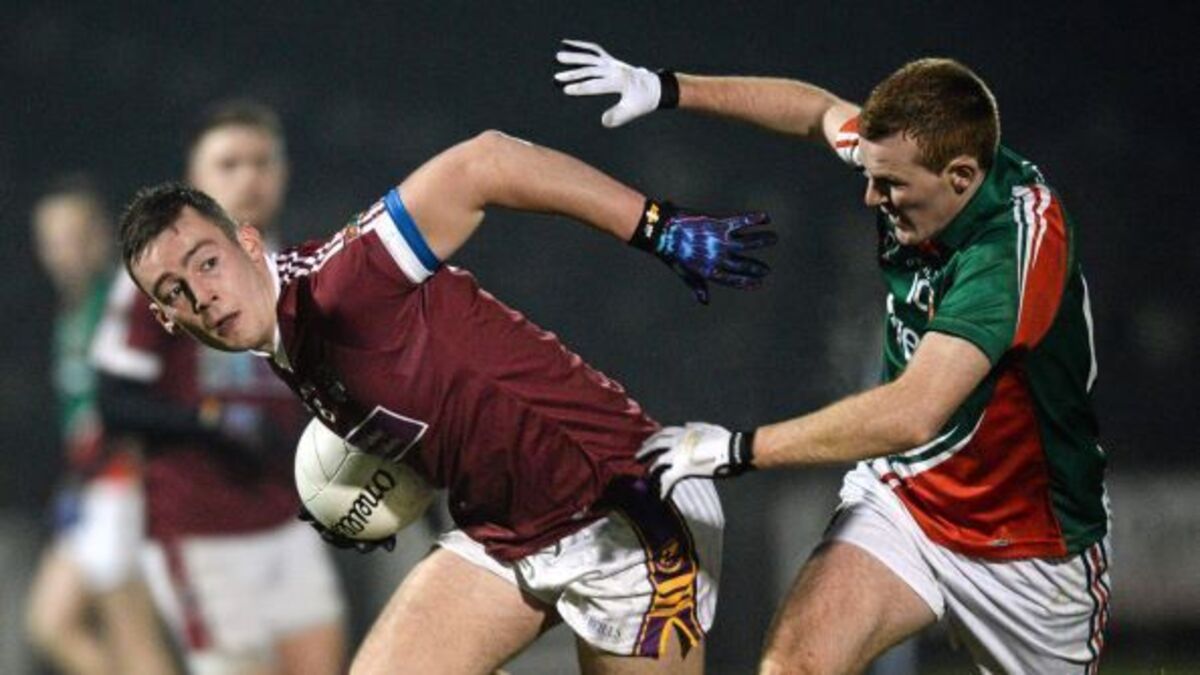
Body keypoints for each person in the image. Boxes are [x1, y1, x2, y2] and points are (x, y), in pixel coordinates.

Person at [117, 128, 775, 674]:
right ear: (165, 318)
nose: (201, 294)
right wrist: (370, 494)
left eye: (207, 262)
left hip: (623, 510)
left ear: (248, 241)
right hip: (505, 530)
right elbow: (440, 404)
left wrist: (658, 227)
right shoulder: (283, 343)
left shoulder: (342, 286)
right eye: (174, 290)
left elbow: (485, 162)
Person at [556, 42, 1111, 673]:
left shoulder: (1010, 249)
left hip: (1031, 548)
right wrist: (667, 88)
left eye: (890, 184)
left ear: (961, 176)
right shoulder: (913, 159)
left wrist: (738, 448)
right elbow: (815, 110)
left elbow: (914, 413)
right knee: (793, 665)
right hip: (907, 502)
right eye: (870, 174)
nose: (871, 197)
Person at [91, 102, 347, 675]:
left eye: (262, 162)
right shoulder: (152, 276)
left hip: (286, 516)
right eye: (229, 164)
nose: (249, 178)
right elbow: (114, 401)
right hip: (199, 528)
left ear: (284, 171)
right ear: (195, 177)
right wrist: (211, 423)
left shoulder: (294, 267)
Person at [25, 176, 178, 675]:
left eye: (75, 236)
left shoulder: (121, 302)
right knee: (50, 622)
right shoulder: (73, 310)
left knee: (135, 643)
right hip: (91, 488)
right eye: (52, 240)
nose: (63, 251)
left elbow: (143, 397)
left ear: (100, 235)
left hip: (122, 486)